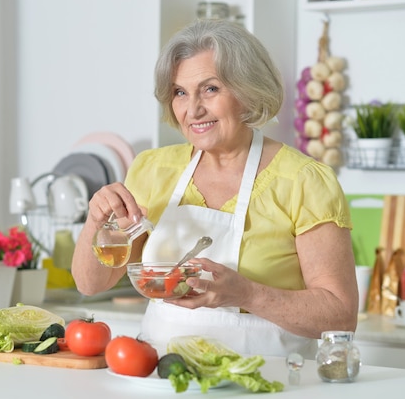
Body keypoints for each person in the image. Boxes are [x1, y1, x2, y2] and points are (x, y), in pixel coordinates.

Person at [70, 19, 358, 358]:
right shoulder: (152, 169)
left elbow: (340, 315)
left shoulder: (305, 181)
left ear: (247, 91)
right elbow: (91, 285)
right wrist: (96, 221)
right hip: (160, 372)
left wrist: (246, 293)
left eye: (210, 89)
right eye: (180, 92)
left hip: (268, 383)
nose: (193, 110)